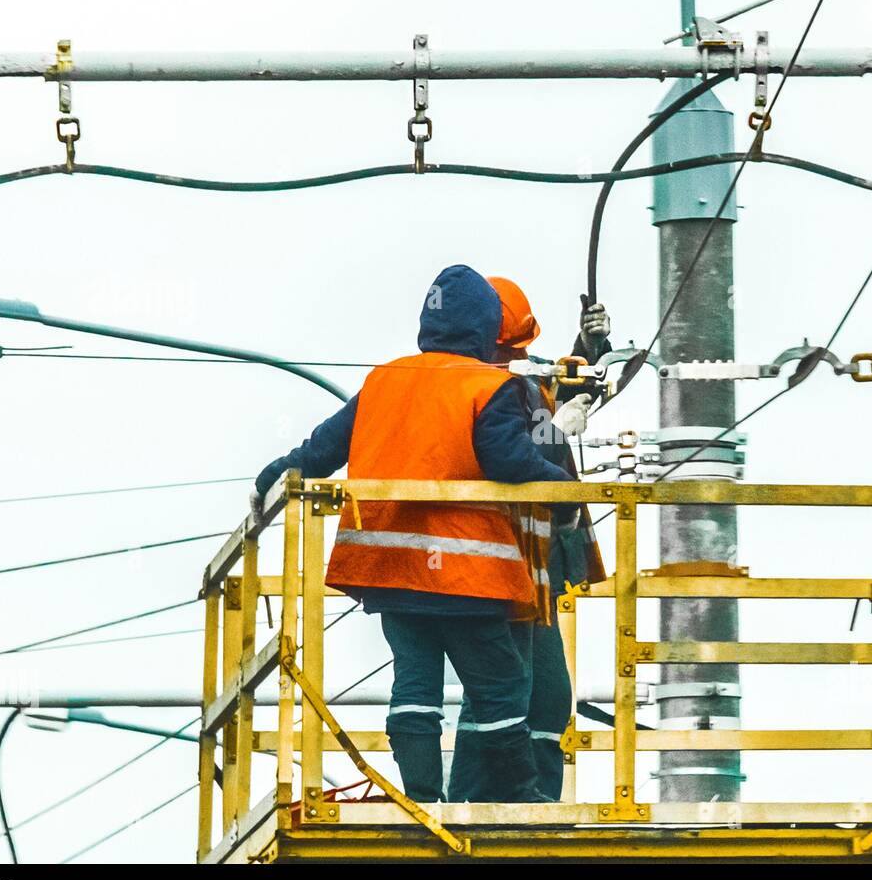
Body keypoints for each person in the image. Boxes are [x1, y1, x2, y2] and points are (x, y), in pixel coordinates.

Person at [250, 264, 575, 804]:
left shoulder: (384, 380)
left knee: (415, 688)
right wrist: (565, 495)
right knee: (500, 692)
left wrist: (272, 478)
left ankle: (422, 798)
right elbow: (509, 459)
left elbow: (321, 451)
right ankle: (523, 799)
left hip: (388, 574)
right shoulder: (488, 385)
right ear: (485, 328)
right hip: (470, 576)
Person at [446, 277, 611, 802]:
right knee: (502, 690)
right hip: (501, 561)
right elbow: (518, 451)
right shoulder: (480, 387)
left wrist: (586, 352)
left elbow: (547, 397)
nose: (519, 355)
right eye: (512, 347)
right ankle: (483, 799)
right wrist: (559, 429)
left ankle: (532, 799)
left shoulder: (514, 382)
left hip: (531, 564)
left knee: (541, 694)